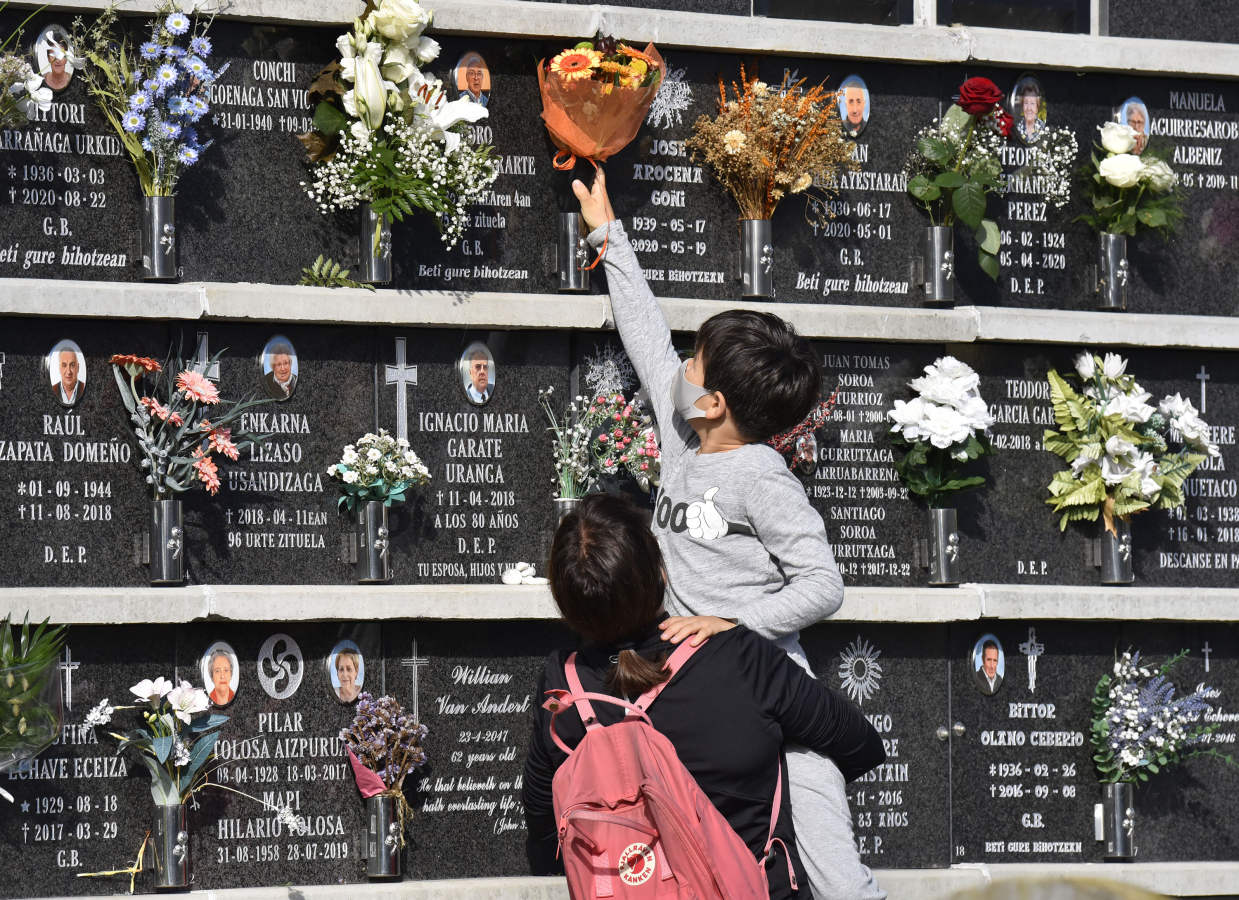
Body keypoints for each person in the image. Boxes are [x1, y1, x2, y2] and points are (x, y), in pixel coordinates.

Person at [573, 169, 884, 900]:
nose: (678, 367)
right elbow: (646, 334)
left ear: (713, 402)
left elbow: (822, 585)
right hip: (692, 683)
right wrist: (606, 230)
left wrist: (732, 624)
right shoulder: (685, 440)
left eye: (694, 365)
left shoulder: (760, 477)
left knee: (836, 872)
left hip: (775, 682)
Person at [523, 494, 885, 898]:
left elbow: (542, 816)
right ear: (660, 571)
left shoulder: (562, 684)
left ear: (564, 599)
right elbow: (861, 743)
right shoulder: (739, 657)